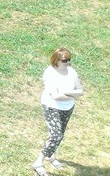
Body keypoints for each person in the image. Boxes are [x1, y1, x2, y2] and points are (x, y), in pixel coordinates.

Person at [31, 47, 84, 175]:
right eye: (65, 60)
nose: (68, 62)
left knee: (60, 134)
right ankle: (38, 162)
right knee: (56, 135)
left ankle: (51, 156)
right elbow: (56, 96)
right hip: (51, 106)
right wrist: (73, 95)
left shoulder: (71, 71)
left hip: (68, 107)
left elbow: (80, 91)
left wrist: (65, 92)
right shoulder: (50, 73)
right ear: (56, 60)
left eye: (69, 59)